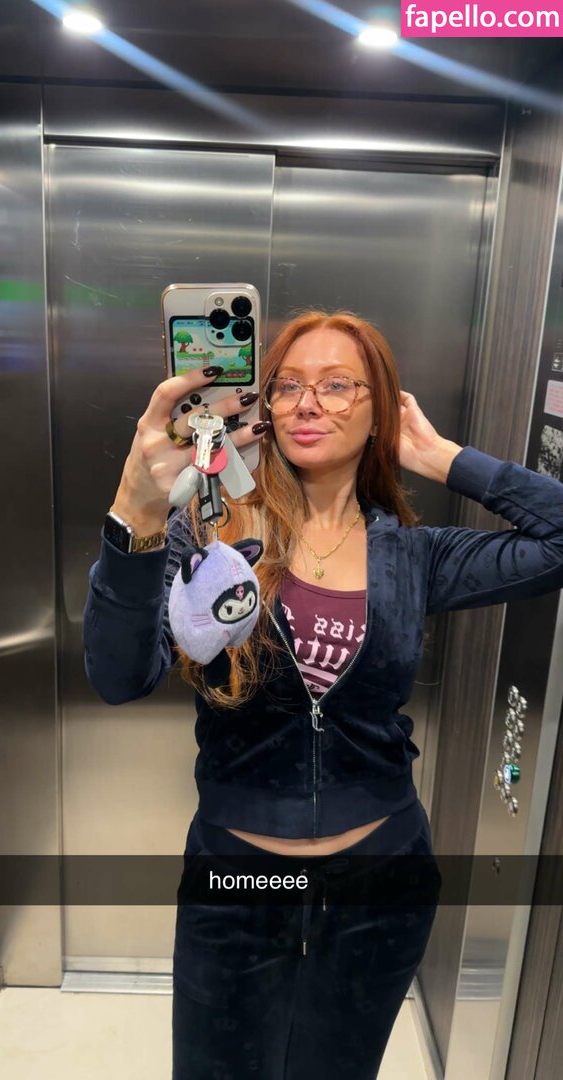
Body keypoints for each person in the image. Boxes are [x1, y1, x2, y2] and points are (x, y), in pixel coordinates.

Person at [83, 310, 563, 1078]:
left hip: (381, 883)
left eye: (339, 386)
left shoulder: (414, 556)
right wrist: (136, 510)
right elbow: (118, 677)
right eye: (289, 386)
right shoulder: (211, 536)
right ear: (265, 405)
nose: (309, 403)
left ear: (381, 411)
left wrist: (441, 457)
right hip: (239, 884)